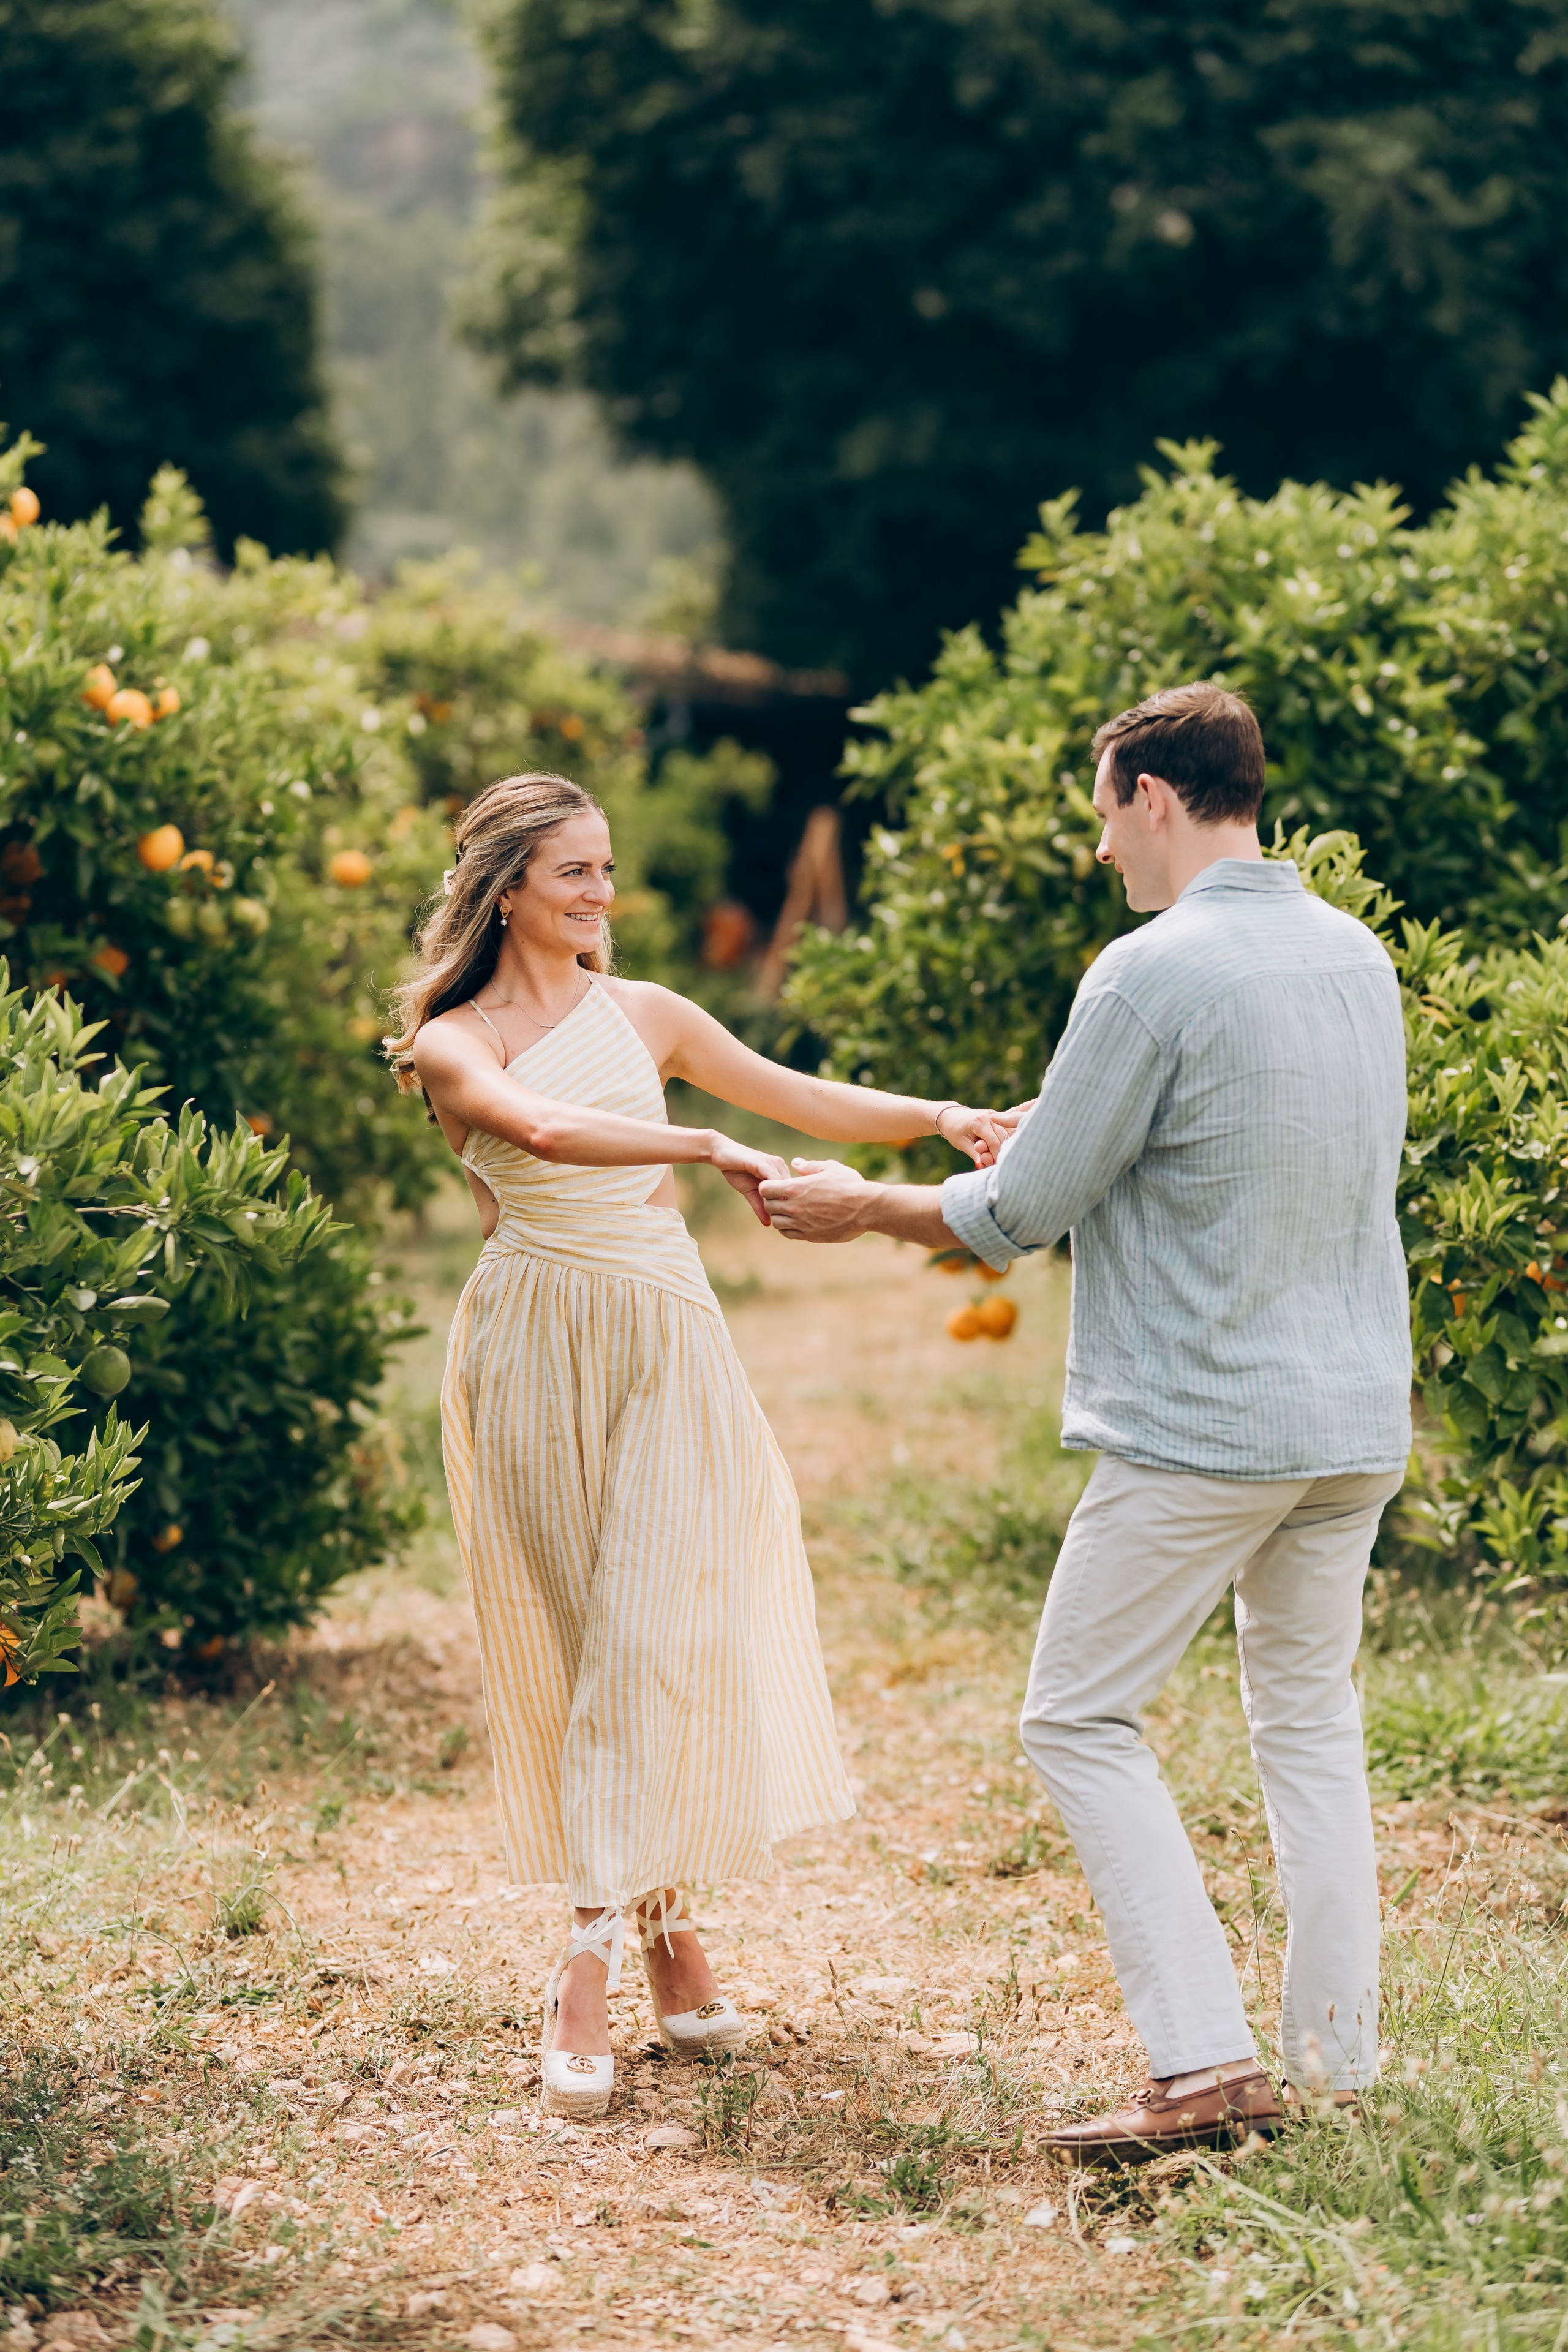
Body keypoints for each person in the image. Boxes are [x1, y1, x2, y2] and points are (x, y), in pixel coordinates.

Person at [762, 682, 1412, 2160]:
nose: (1101, 850)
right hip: (1354, 1412)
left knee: (1072, 1716)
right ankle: (1334, 2070)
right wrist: (1046, 1130)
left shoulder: (1143, 971)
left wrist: (860, 1205)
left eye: (1103, 815)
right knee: (1308, 1725)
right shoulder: (1353, 955)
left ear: (1153, 797)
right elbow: (1208, 1149)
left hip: (1207, 1422)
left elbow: (1025, 1211)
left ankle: (1200, 2070)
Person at [387, 771, 1008, 2119]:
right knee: (584, 1635)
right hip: (533, 1344)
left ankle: (585, 1965)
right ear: (507, 892)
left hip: (667, 1333)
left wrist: (935, 1119)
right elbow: (542, 1131)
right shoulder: (453, 1039)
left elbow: (792, 1092)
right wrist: (696, 1138)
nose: (604, 896)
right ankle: (671, 1941)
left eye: (608, 871)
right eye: (576, 875)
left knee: (653, 1631)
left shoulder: (647, 1012)